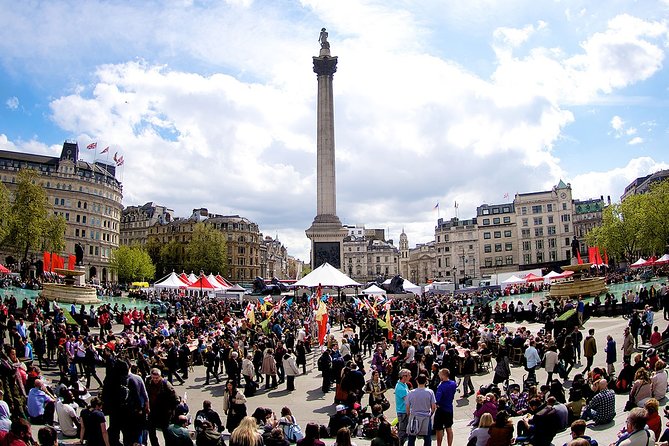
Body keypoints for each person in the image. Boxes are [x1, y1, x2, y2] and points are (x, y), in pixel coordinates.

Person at [145, 368, 179, 446]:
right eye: (153, 378)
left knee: (166, 432)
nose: (155, 380)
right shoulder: (148, 382)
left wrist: (170, 410)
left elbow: (176, 399)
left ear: (160, 376)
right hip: (152, 411)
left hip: (164, 413)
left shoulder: (166, 384)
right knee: (151, 430)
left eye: (157, 378)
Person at [405, 374, 435, 446]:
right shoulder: (430, 392)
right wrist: (431, 413)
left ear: (417, 381)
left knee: (411, 438)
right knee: (427, 439)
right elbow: (433, 406)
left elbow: (407, 406)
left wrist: (409, 414)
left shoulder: (411, 393)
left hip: (414, 417)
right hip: (426, 417)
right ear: (426, 381)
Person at [433, 368, 456, 446]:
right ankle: (450, 444)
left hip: (441, 409)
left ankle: (439, 444)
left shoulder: (441, 387)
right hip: (449, 408)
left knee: (439, 429)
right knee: (449, 428)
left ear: (443, 375)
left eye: (440, 374)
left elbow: (437, 399)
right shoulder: (453, 383)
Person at [394, 369, 411, 446]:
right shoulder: (400, 387)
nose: (410, 377)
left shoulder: (404, 384)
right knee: (402, 432)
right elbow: (408, 400)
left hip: (405, 411)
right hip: (403, 412)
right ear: (404, 376)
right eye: (409, 375)